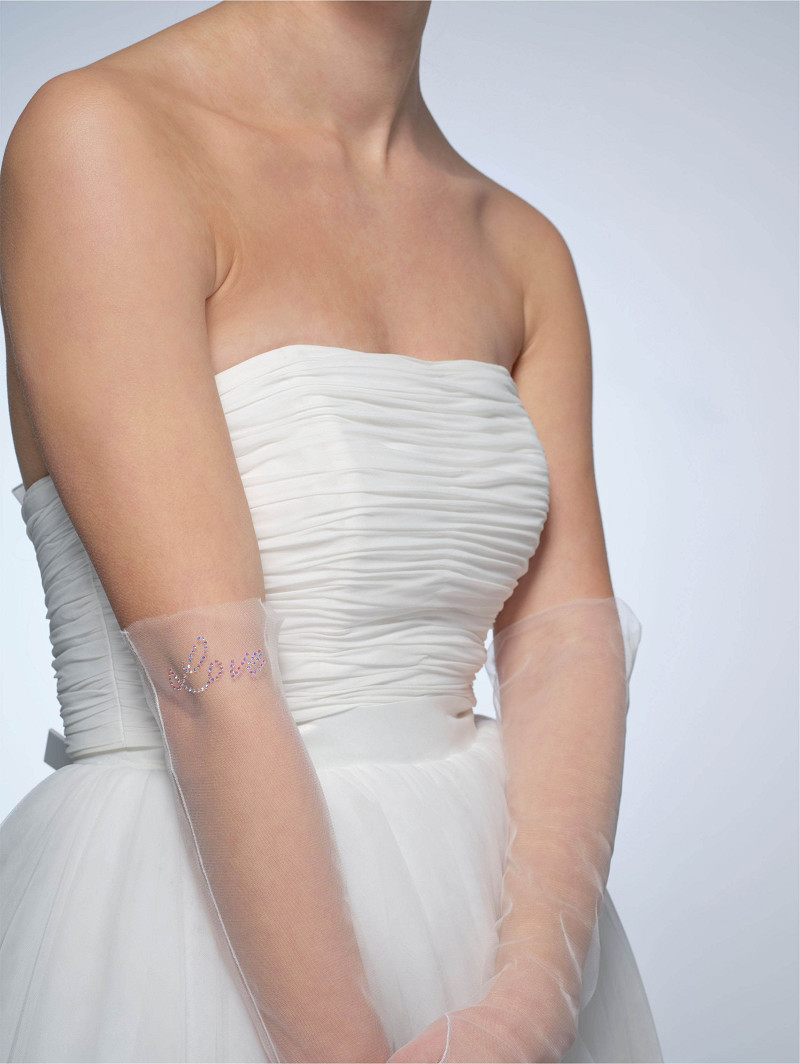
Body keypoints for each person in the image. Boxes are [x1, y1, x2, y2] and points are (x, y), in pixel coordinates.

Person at [0, 2, 663, 1061]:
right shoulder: (103, 137)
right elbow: (205, 678)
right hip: (177, 922)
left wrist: (527, 1007)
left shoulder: (518, 242)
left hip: (490, 914)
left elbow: (564, 644)